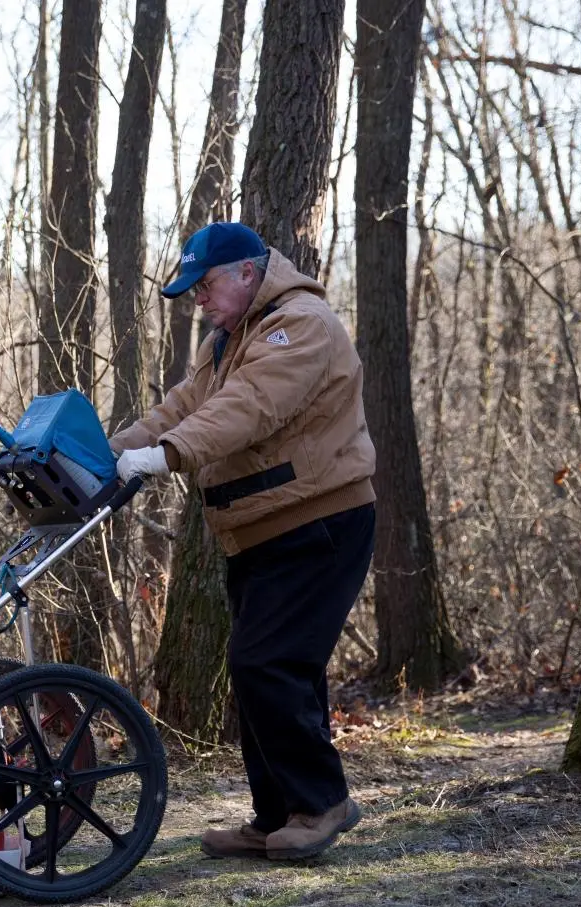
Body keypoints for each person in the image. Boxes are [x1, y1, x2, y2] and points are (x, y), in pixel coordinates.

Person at [110, 221, 377, 861]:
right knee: (270, 669)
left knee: (267, 664)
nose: (198, 301)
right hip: (261, 530)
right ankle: (278, 813)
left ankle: (322, 803)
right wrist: (105, 455)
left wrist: (166, 457)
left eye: (204, 286)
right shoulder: (227, 340)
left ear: (247, 274)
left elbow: (250, 408)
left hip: (319, 523)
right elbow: (179, 409)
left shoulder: (300, 325)